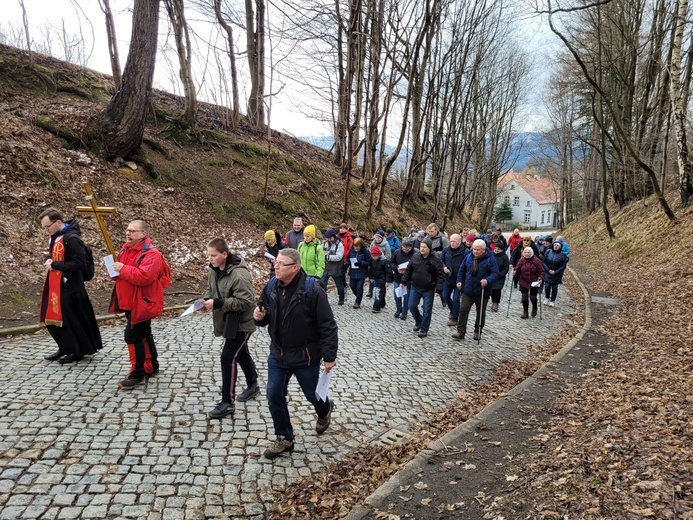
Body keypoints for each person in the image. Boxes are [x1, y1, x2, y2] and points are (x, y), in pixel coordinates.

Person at [253, 248, 338, 460]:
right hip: (278, 354)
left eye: (281, 263)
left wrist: (329, 356)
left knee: (313, 395)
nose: (276, 266)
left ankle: (324, 409)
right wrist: (259, 316)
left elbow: (327, 324)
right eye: (276, 262)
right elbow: (263, 313)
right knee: (274, 395)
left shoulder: (312, 290)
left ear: (295, 267)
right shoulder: (272, 285)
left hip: (305, 356)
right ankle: (284, 438)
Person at [203, 238, 259, 419]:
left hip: (243, 322)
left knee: (228, 357)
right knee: (240, 353)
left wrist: (218, 303)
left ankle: (227, 402)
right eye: (209, 255)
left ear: (224, 254)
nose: (210, 259)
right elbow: (211, 290)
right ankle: (253, 385)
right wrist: (206, 301)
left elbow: (246, 301)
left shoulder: (239, 275)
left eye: (213, 255)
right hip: (229, 321)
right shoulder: (213, 270)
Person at [39, 208, 102, 364]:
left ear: (58, 222)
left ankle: (77, 350)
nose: (46, 230)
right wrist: (48, 259)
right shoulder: (54, 236)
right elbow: (52, 253)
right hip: (57, 284)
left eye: (48, 226)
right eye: (44, 227)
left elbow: (79, 263)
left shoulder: (72, 239)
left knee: (71, 319)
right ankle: (65, 347)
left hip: (71, 286)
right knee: (53, 318)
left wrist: (56, 265)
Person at [109, 220, 164, 389]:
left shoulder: (152, 254)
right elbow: (121, 272)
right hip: (129, 301)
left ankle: (137, 372)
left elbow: (144, 276)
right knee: (143, 333)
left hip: (142, 302)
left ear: (143, 234)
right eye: (127, 230)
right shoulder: (126, 249)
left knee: (132, 336)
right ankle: (151, 365)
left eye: (133, 231)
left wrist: (122, 269)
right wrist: (114, 270)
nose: (128, 233)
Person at [453, 239, 499, 341]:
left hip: (482, 291)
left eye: (478, 250)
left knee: (481, 312)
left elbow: (495, 273)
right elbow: (462, 270)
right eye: (474, 249)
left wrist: (487, 280)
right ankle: (460, 332)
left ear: (483, 250)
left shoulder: (490, 259)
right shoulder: (468, 257)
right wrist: (459, 281)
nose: (475, 252)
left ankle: (478, 331)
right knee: (463, 309)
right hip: (468, 289)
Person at [400, 238, 445, 338]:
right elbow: (408, 270)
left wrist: (438, 289)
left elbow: (440, 275)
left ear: (429, 248)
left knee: (427, 310)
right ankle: (419, 321)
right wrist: (403, 282)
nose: (422, 249)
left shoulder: (436, 259)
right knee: (411, 305)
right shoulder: (415, 257)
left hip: (429, 288)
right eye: (421, 247)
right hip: (415, 286)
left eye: (425, 247)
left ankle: (424, 329)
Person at [440, 234, 466, 326]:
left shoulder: (465, 251)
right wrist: (443, 267)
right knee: (445, 296)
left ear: (459, 241)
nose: (452, 243)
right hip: (448, 278)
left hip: (459, 279)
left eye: (454, 241)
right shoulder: (446, 250)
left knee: (456, 298)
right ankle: (453, 310)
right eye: (451, 241)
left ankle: (455, 318)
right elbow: (441, 261)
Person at [513, 247, 545, 318]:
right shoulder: (521, 260)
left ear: (532, 253)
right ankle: (525, 312)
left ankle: (534, 307)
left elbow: (541, 272)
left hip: (534, 281)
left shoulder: (537, 261)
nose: (527, 254)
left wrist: (540, 278)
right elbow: (517, 269)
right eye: (525, 253)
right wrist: (515, 272)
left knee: (532, 297)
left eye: (529, 253)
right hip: (523, 281)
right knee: (524, 297)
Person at [390, 238, 415, 320]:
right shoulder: (396, 252)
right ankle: (398, 309)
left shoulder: (415, 254)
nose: (406, 248)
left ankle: (404, 312)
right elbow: (391, 263)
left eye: (408, 247)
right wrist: (396, 268)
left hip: (409, 279)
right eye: (404, 246)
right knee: (397, 295)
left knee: (407, 296)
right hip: (398, 277)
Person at [322, 228, 346, 305]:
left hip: (336, 268)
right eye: (328, 238)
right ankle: (323, 299)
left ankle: (341, 298)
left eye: (330, 238)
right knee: (322, 284)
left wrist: (327, 257)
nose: (329, 240)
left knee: (339, 284)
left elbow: (339, 257)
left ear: (334, 236)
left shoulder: (339, 244)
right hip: (326, 267)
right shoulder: (325, 243)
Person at [347, 238, 371, 309]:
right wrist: (346, 263)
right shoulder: (351, 251)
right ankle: (359, 296)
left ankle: (358, 302)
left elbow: (369, 262)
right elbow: (349, 259)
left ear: (361, 246)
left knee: (359, 287)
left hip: (362, 273)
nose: (356, 248)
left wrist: (361, 263)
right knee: (352, 286)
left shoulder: (366, 252)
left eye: (357, 246)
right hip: (353, 272)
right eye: (354, 246)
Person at [542, 241, 568, 307]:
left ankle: (552, 300)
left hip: (557, 274)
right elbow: (543, 262)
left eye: (557, 246)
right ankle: (546, 298)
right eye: (555, 245)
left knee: (554, 287)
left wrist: (556, 272)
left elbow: (563, 266)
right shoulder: (548, 252)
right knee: (547, 286)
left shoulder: (562, 255)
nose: (556, 247)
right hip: (548, 272)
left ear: (560, 247)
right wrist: (548, 270)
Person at [368, 246, 392, 313]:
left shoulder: (384, 261)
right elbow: (371, 270)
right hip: (375, 279)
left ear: (379, 255)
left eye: (375, 255)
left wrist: (387, 281)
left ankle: (376, 307)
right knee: (380, 292)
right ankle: (382, 303)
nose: (374, 257)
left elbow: (388, 272)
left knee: (379, 292)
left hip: (382, 279)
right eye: (373, 255)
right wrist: (370, 277)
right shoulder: (372, 261)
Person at [490, 242, 510, 311]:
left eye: (498, 249)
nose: (496, 250)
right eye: (495, 248)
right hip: (492, 275)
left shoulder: (505, 257)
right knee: (492, 289)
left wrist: (500, 274)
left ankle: (496, 303)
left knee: (497, 289)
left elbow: (506, 268)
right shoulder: (491, 255)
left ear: (501, 250)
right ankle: (493, 301)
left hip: (500, 276)